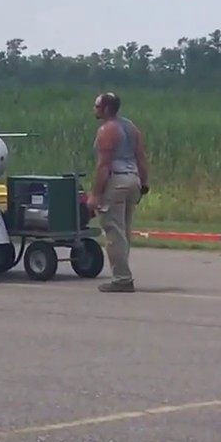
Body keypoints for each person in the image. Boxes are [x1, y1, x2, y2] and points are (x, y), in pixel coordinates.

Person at [86, 91, 149, 292]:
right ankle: (123, 273)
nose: (94, 109)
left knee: (114, 232)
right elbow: (141, 158)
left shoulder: (106, 130)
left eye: (97, 106)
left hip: (117, 181)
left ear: (106, 109)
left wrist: (96, 194)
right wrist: (144, 183)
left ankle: (122, 279)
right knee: (124, 231)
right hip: (133, 180)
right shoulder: (131, 127)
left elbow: (103, 165)